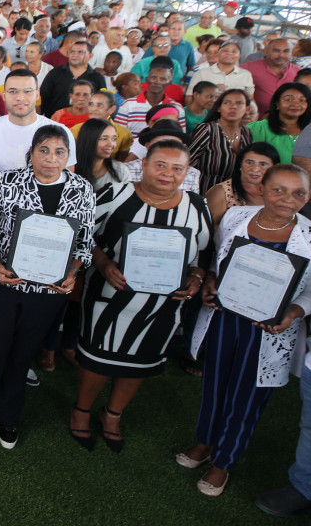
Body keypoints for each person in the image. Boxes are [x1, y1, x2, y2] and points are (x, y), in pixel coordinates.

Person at [180, 166, 311, 495]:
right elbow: (217, 261)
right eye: (279, 189)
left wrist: (294, 311)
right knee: (214, 384)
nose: (288, 199)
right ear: (262, 188)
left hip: (269, 330)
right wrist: (211, 281)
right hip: (224, 318)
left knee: (248, 396)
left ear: (308, 196)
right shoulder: (236, 217)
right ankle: (205, 442)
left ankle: (224, 461)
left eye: (299, 193)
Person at [0, 125, 96, 449]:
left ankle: (8, 416)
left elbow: (85, 242)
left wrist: (72, 273)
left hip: (47, 292)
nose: (51, 158)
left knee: (22, 355)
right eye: (43, 150)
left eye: (59, 152)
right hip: (0, 283)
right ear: (31, 152)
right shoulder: (7, 181)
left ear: (68, 156)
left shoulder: (82, 189)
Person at [73, 141, 212, 452]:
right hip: (110, 294)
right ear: (145, 164)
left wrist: (196, 277)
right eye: (160, 165)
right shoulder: (115, 194)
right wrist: (103, 263)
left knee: (139, 359)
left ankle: (112, 415)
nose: (168, 173)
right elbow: (83, 234)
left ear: (186, 173)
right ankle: (81, 411)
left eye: (177, 168)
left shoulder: (196, 206)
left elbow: (203, 252)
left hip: (163, 304)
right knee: (99, 357)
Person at [0, 69, 75, 189]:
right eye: (13, 91)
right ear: (4, 95)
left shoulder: (62, 133)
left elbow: (69, 181)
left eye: (27, 91)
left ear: (37, 94)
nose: (20, 97)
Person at [189, 88, 254, 190]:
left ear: (247, 108)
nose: (233, 107)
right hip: (204, 191)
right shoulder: (207, 130)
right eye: (227, 103)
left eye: (239, 103)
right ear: (219, 108)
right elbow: (188, 162)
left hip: (235, 193)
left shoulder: (246, 133)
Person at [204, 143, 278, 224]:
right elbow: (207, 227)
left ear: (274, 168)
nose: (255, 169)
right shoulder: (222, 192)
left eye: (263, 164)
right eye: (249, 163)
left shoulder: (279, 192)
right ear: (240, 165)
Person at [247, 81, 311, 164]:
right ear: (277, 103)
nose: (296, 104)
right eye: (289, 99)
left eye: (302, 100)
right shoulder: (258, 128)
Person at [244, 36, 299, 114]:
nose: (281, 55)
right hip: (256, 119)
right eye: (276, 51)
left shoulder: (299, 73)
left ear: (292, 53)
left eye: (286, 51)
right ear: (266, 51)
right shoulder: (249, 67)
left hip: (288, 119)